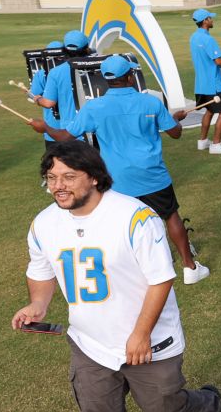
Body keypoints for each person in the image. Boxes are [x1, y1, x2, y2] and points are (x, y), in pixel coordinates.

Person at [12, 142, 221, 412]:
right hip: (89, 342)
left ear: (94, 177)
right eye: (51, 179)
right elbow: (41, 269)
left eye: (68, 177)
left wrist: (141, 334)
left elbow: (161, 279)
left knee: (165, 408)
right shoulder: (43, 223)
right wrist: (37, 306)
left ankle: (211, 405)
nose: (58, 186)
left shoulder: (134, 216)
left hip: (148, 340)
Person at [29, 56, 210, 285]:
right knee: (170, 215)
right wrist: (174, 119)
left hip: (117, 179)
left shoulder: (94, 107)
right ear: (129, 75)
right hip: (152, 174)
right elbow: (176, 133)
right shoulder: (151, 103)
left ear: (106, 79)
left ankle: (131, 271)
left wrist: (45, 127)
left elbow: (65, 136)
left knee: (121, 224)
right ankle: (189, 267)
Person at [189, 9, 221, 156]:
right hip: (213, 84)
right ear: (205, 21)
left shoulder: (194, 37)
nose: (212, 20)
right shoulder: (208, 39)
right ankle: (216, 144)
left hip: (201, 83)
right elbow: (218, 61)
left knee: (210, 110)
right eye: (210, 18)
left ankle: (203, 141)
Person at [35, 30, 92, 141]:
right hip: (95, 130)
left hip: (70, 132)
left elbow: (48, 103)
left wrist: (38, 99)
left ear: (64, 50)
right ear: (86, 48)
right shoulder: (97, 68)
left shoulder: (56, 72)